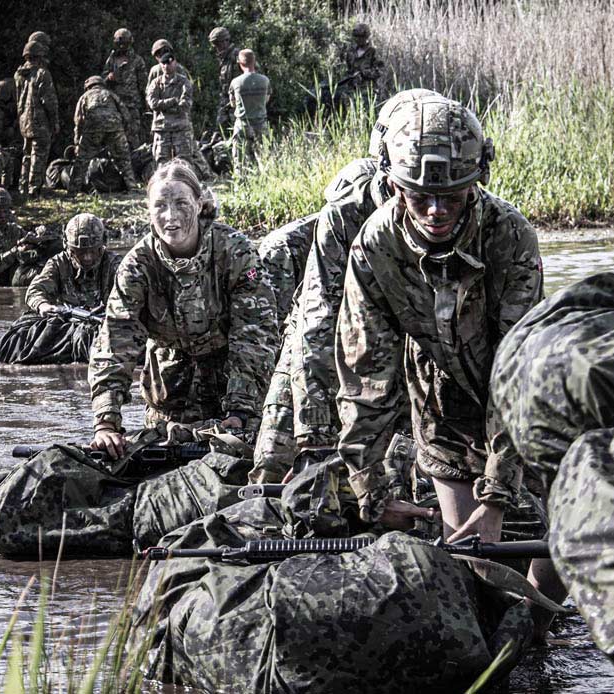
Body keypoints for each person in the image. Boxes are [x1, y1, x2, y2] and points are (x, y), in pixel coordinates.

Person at [333, 94, 564, 614]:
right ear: (394, 186)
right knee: (471, 561)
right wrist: (371, 488)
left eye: (453, 197)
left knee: (569, 528)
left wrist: (499, 491)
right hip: (442, 405)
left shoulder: (509, 235)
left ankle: (545, 627)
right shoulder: (374, 248)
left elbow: (518, 368)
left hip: (526, 401)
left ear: (474, 185)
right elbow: (364, 371)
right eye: (420, 198)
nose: (436, 211)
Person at [249, 89, 435, 483]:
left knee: (398, 475)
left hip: (397, 349)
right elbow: (316, 323)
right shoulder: (346, 215)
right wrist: (313, 433)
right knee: (277, 475)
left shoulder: (453, 208)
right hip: (320, 337)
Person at [88, 159, 278, 458]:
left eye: (181, 203)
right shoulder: (137, 266)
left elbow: (255, 335)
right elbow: (115, 342)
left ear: (200, 204)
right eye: (160, 206)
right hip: (169, 397)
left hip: (233, 393)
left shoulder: (236, 252)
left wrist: (240, 410)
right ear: (148, 211)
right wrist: (106, 421)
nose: (170, 216)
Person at [26, 213, 119, 313]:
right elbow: (35, 291)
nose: (87, 258)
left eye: (93, 251)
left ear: (102, 246)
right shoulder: (59, 263)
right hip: (69, 322)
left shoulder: (115, 265)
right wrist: (43, 306)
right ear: (70, 249)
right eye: (80, 252)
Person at [70, 76, 137, 194]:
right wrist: (125, 131)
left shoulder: (85, 97)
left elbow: (79, 121)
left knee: (82, 160)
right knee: (123, 159)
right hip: (115, 129)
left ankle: (73, 191)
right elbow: (126, 114)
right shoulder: (111, 94)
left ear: (88, 86)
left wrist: (77, 142)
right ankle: (133, 187)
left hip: (93, 130)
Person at [145, 52, 208, 177]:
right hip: (162, 128)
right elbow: (153, 104)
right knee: (161, 161)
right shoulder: (156, 83)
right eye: (163, 63)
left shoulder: (184, 82)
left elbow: (185, 105)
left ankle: (187, 186)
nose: (166, 66)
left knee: (185, 161)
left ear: (175, 62)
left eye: (169, 62)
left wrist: (164, 106)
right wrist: (173, 101)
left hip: (180, 128)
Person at [15, 37, 59, 197]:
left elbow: (18, 98)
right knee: (38, 155)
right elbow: (49, 102)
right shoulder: (43, 74)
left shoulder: (19, 75)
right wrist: (55, 122)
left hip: (24, 121)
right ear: (39, 56)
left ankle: (23, 188)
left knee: (27, 155)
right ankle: (34, 190)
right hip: (40, 122)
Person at [102, 28, 149, 148]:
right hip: (115, 104)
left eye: (125, 43)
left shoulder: (137, 61)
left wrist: (146, 104)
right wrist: (109, 77)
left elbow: (144, 84)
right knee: (115, 135)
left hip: (132, 104)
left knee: (133, 136)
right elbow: (102, 81)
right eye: (119, 43)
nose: (122, 46)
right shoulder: (111, 59)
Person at [227, 48, 270, 172]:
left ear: (240, 63)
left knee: (239, 163)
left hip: (242, 125)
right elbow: (266, 100)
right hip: (260, 125)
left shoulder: (235, 82)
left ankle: (240, 187)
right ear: (254, 61)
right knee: (264, 161)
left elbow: (232, 103)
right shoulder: (265, 80)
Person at [335, 23, 386, 102]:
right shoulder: (351, 52)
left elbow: (380, 71)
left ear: (366, 37)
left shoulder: (373, 52)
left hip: (368, 91)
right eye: (356, 37)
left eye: (361, 37)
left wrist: (364, 73)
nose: (358, 39)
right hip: (351, 90)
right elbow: (348, 69)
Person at [208, 27, 242, 133]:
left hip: (239, 99)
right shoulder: (223, 59)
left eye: (217, 44)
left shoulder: (237, 56)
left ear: (225, 41)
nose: (216, 48)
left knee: (238, 129)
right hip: (226, 99)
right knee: (220, 129)